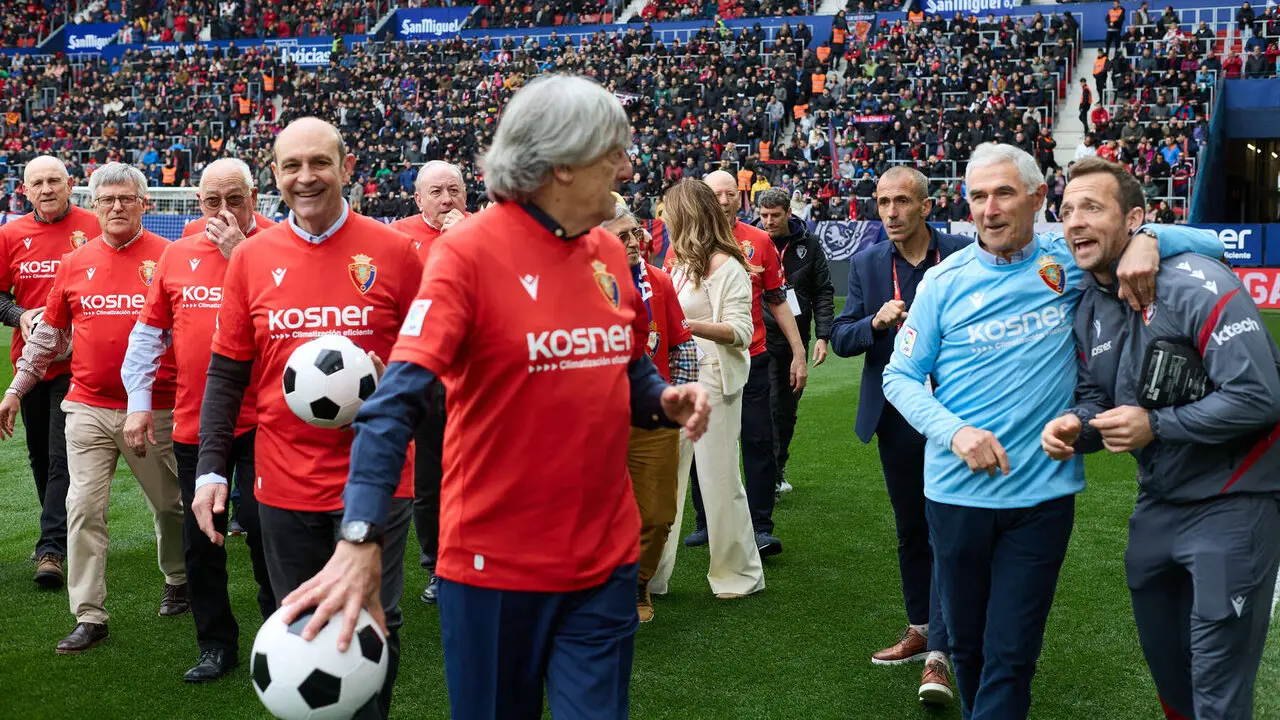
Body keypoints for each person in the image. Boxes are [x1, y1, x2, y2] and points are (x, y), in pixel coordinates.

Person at [275, 75, 710, 718]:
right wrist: (360, 535)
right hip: (493, 568)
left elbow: (622, 365)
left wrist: (661, 397)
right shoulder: (468, 256)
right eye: (613, 151)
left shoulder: (609, 256)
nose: (628, 164)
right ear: (561, 164)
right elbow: (393, 404)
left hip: (602, 563)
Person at [880, 143, 1223, 719]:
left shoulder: (1067, 257)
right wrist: (955, 432)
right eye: (978, 197)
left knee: (1012, 654)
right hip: (954, 495)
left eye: (1004, 193)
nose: (989, 209)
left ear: (1039, 199)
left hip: (1042, 499)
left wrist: (1149, 239)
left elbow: (1212, 244)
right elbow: (901, 376)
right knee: (966, 647)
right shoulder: (943, 282)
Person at [190, 118, 423, 719]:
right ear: (275, 176)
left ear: (347, 168)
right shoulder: (250, 259)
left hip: (377, 481)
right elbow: (226, 372)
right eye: (291, 165)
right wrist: (212, 469)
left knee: (371, 622)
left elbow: (436, 365)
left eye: (320, 162)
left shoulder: (396, 253)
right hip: (283, 483)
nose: (306, 176)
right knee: (298, 623)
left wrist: (390, 380)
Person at [1042, 156, 1280, 720]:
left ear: (1136, 221)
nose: (1075, 221)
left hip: (1234, 503)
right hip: (1157, 507)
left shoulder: (1196, 281)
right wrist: (1078, 426)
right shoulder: (1086, 304)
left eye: (1093, 208)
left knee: (1218, 688)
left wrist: (1158, 425)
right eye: (1068, 209)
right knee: (1170, 675)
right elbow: (1097, 397)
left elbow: (1260, 397)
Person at [0, 162, 188, 655]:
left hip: (153, 409)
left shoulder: (169, 258)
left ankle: (178, 577)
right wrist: (17, 389)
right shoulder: (75, 262)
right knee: (82, 508)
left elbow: (188, 334)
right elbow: (49, 337)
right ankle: (89, 614)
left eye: (126, 199)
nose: (117, 208)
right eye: (107, 200)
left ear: (145, 204)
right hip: (85, 405)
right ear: (96, 207)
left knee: (169, 504)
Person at [120, 158, 277, 683]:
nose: (225, 210)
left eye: (236, 198)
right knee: (200, 536)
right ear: (198, 203)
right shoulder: (177, 255)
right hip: (194, 420)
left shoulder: (279, 247)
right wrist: (140, 402)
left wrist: (243, 258)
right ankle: (216, 644)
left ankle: (281, 633)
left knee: (262, 525)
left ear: (255, 195)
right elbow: (148, 334)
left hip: (266, 418)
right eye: (213, 201)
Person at [830, 166, 969, 706]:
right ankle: (922, 630)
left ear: (926, 207)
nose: (890, 212)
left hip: (954, 415)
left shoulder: (960, 252)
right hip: (896, 417)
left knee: (947, 531)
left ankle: (941, 653)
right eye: (883, 202)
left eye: (901, 202)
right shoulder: (866, 262)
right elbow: (841, 338)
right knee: (912, 530)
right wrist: (875, 324)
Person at [650, 178, 765, 602]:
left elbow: (740, 330)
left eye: (670, 212)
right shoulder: (679, 263)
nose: (664, 219)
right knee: (664, 480)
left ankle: (739, 575)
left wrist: (685, 326)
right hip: (679, 380)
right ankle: (651, 577)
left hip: (714, 380)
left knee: (719, 481)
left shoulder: (728, 265)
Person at [683, 170, 807, 557]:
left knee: (757, 438)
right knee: (701, 442)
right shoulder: (682, 245)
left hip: (750, 357)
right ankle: (707, 521)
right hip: (701, 363)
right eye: (714, 194)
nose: (722, 200)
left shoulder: (759, 242)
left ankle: (760, 526)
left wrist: (798, 350)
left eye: (729, 193)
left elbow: (777, 298)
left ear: (740, 197)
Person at [0, 155, 101, 589]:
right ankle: (55, 531)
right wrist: (19, 315)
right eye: (37, 182)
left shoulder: (94, 226)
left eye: (54, 181)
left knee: (62, 456)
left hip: (78, 365)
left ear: (70, 183)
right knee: (40, 456)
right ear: (24, 190)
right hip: (31, 362)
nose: (46, 188)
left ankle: (51, 549)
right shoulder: (10, 235)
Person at [605, 198, 697, 622]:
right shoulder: (572, 284)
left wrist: (676, 399)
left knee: (659, 513)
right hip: (592, 420)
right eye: (621, 235)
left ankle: (639, 584)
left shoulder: (657, 280)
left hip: (650, 412)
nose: (633, 242)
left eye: (635, 233)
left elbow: (681, 344)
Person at [388, 159, 467, 606]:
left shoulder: (487, 229)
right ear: (418, 199)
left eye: (453, 189)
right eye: (435, 191)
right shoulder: (397, 238)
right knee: (429, 475)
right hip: (425, 373)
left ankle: (480, 554)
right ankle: (436, 562)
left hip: (477, 374)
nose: (446, 199)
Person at [754, 187, 834, 494]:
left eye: (775, 215)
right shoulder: (751, 241)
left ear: (789, 213)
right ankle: (764, 473)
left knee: (785, 409)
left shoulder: (809, 245)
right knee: (763, 405)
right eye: (764, 216)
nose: (769, 222)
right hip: (759, 335)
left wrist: (823, 335)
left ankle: (777, 467)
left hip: (795, 339)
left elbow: (823, 291)